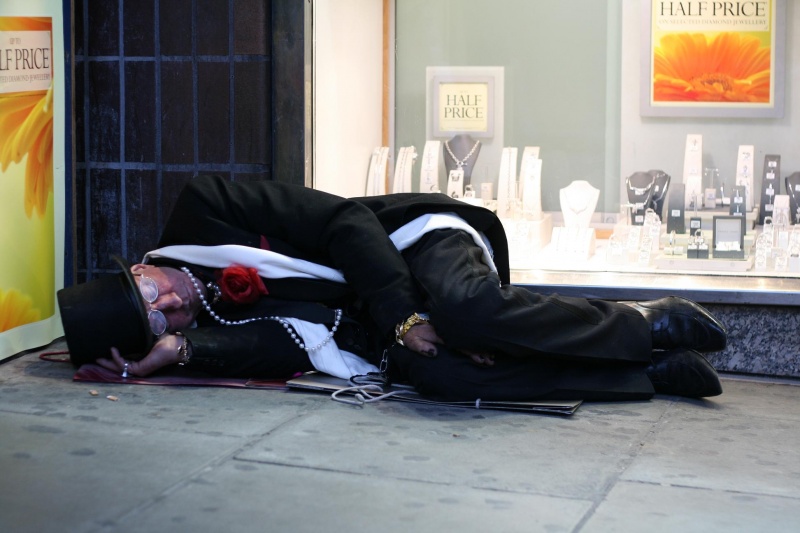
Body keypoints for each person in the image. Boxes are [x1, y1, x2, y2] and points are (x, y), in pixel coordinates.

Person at [57, 174, 726, 402]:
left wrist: (406, 314)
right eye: (156, 321)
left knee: (464, 307)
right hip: (379, 325)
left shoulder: (204, 206)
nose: (168, 303)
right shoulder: (203, 328)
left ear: (136, 265)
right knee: (444, 378)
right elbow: (282, 346)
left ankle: (646, 323)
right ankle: (648, 376)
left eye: (149, 292)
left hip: (410, 242)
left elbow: (344, 220)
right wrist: (173, 353)